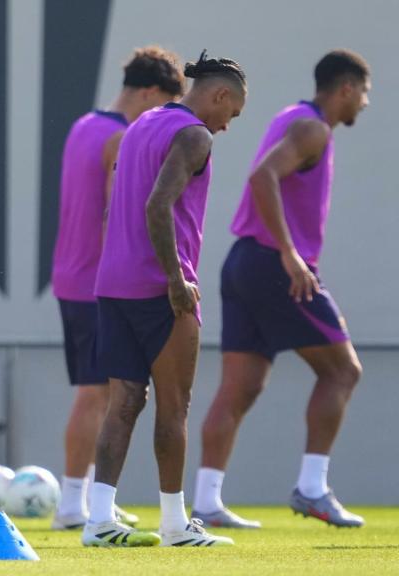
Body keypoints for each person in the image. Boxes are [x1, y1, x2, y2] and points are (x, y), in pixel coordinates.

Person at [193, 50, 371, 529]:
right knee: (343, 371)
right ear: (347, 89)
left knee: (241, 387)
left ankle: (206, 501)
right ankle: (312, 489)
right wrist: (290, 254)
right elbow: (263, 175)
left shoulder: (293, 117)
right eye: (365, 93)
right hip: (275, 264)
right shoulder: (311, 127)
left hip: (244, 263)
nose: (366, 104)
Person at [82, 51, 246, 547]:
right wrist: (176, 278)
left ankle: (98, 521)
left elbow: (120, 203)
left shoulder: (143, 122)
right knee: (174, 408)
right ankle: (175, 525)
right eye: (232, 113)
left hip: (114, 284)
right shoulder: (193, 134)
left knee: (123, 403)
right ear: (219, 95)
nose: (227, 126)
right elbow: (158, 205)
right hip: (161, 288)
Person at [50, 46, 184, 531]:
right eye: (163, 104)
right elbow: (115, 216)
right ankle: (71, 505)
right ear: (148, 93)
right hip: (97, 281)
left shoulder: (84, 125)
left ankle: (79, 499)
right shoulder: (121, 138)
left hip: (70, 275)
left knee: (98, 393)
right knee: (98, 395)